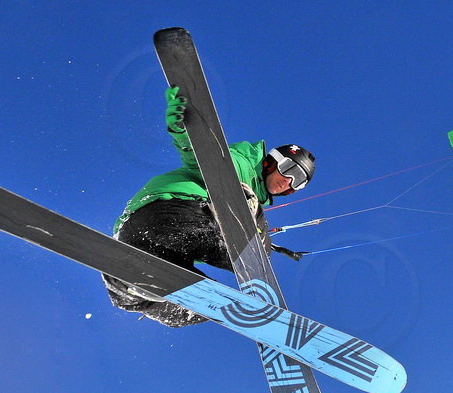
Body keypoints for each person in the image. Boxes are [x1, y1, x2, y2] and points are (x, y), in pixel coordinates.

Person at [103, 86, 315, 327]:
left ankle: (128, 288)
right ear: (271, 162)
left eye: (298, 182)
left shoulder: (255, 192)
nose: (289, 180)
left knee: (207, 306)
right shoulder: (241, 163)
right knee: (254, 254)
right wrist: (186, 128)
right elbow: (203, 154)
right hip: (169, 213)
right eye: (289, 169)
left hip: (136, 239)